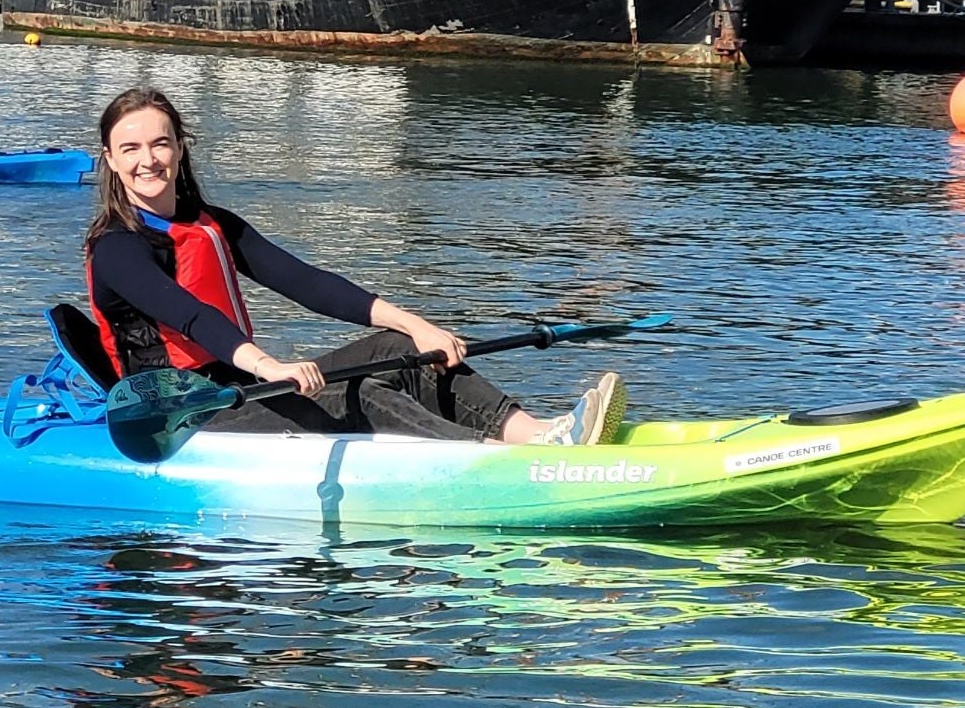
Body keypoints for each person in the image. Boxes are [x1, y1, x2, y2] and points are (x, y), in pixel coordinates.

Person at [82, 87, 626, 446]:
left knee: (403, 352)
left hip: (236, 383)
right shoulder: (117, 247)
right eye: (129, 149)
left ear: (180, 148)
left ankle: (537, 433)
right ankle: (491, 457)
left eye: (159, 144)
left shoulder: (209, 222)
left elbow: (308, 284)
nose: (146, 160)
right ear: (110, 158)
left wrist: (415, 325)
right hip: (176, 412)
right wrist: (270, 366)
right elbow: (191, 316)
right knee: (359, 393)